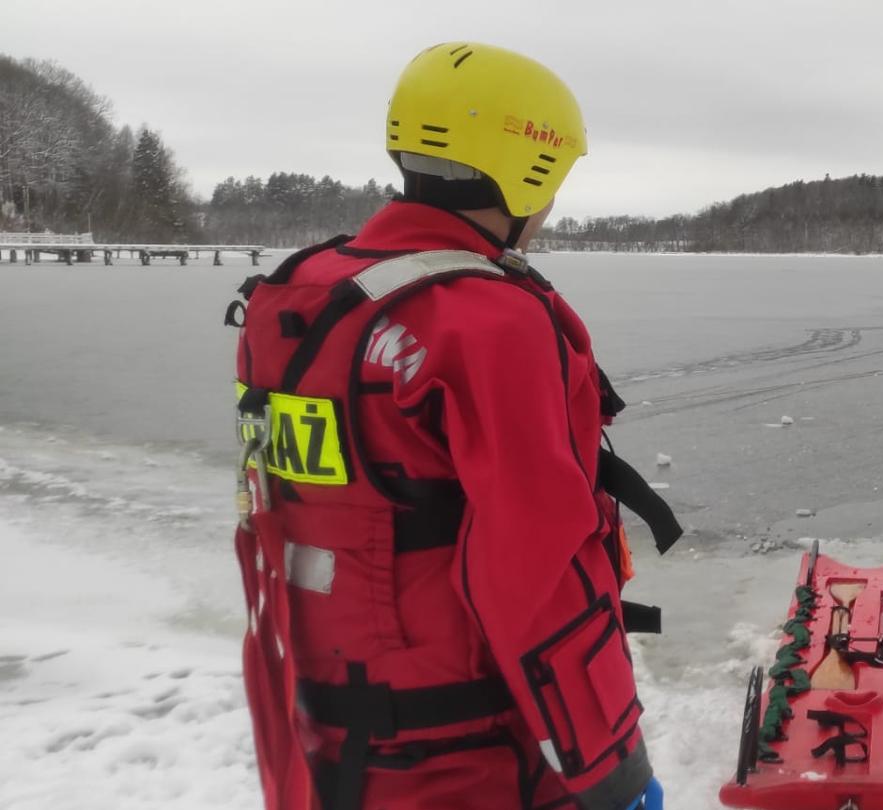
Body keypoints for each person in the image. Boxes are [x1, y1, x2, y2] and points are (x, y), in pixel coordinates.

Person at [227, 43, 679, 810]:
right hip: (472, 754)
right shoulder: (487, 320)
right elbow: (536, 567)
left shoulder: (301, 295)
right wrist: (612, 769)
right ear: (527, 168)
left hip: (330, 737)